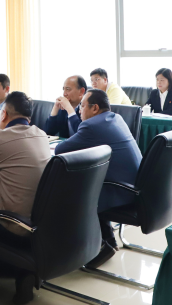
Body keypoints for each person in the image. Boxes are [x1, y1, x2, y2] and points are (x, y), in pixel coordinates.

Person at [0, 90, 51, 304]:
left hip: (16, 225)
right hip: (43, 222)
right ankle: (22, 270)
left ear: (4, 114)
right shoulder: (41, 134)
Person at [55, 89, 142, 268]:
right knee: (89, 181)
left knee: (73, 188)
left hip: (123, 190)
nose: (79, 110)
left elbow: (60, 150)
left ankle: (97, 244)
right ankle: (107, 240)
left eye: (82, 106)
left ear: (94, 108)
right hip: (137, 186)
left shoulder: (92, 126)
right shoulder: (116, 118)